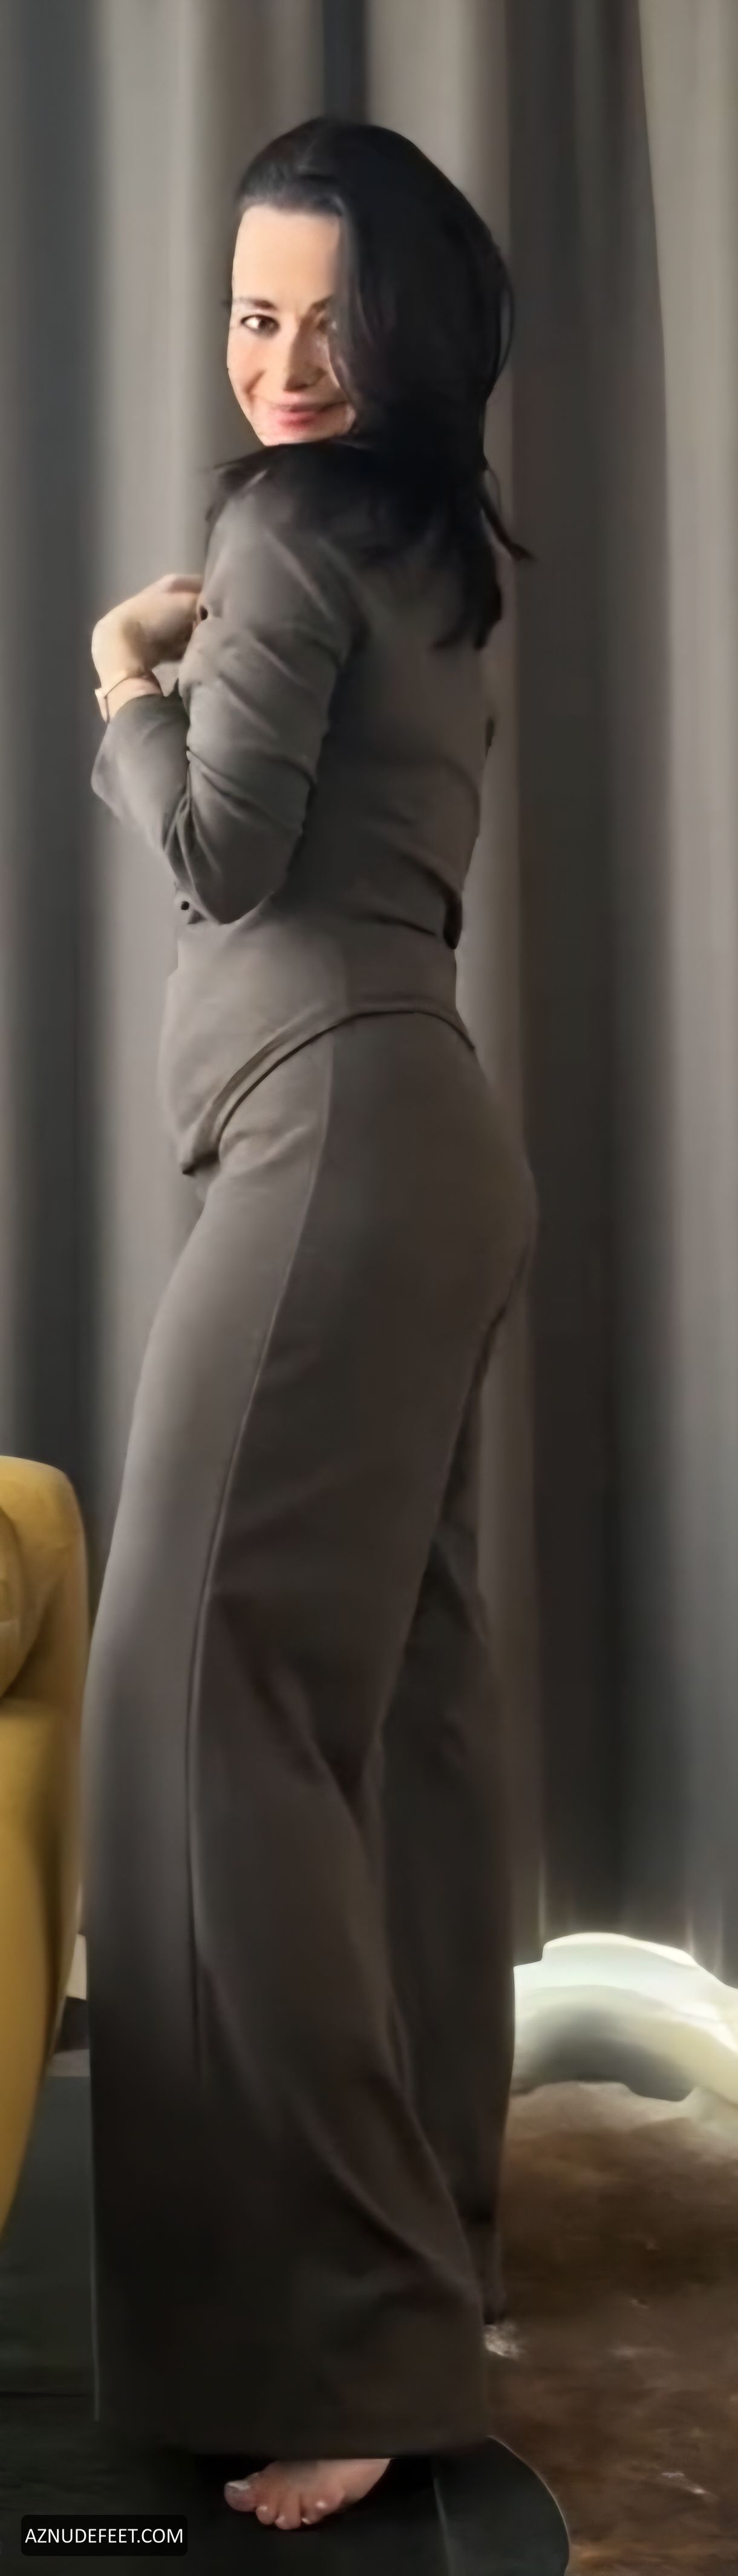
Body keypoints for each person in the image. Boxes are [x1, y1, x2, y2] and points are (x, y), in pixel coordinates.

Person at [82, 116, 537, 2537]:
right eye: (250, 316)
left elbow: (219, 854)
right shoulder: (439, 558)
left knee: (206, 1713)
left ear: (400, 329)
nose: (278, 362)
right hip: (429, 1134)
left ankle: (353, 2341)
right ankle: (429, 2261)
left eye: (324, 321)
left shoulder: (279, 535)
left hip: (334, 1145)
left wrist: (122, 685)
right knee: (393, 1738)